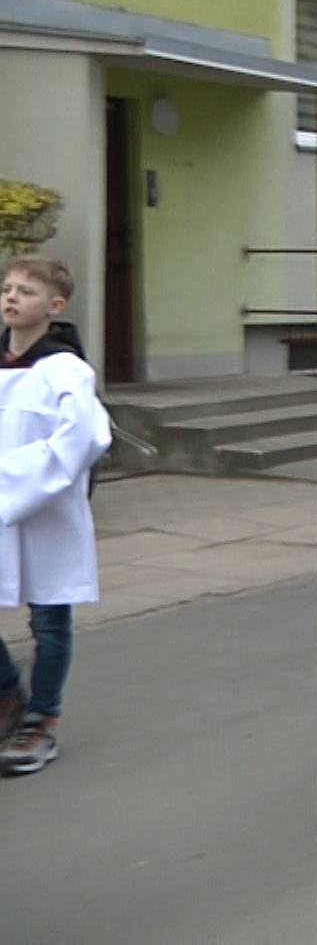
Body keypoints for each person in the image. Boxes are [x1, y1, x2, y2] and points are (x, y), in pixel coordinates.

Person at [0, 257, 113, 775]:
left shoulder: (66, 370)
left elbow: (85, 437)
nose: (12, 297)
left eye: (26, 290)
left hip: (45, 513)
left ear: (55, 305)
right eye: (7, 288)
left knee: (49, 618)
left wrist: (14, 481)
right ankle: (8, 694)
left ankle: (41, 719)